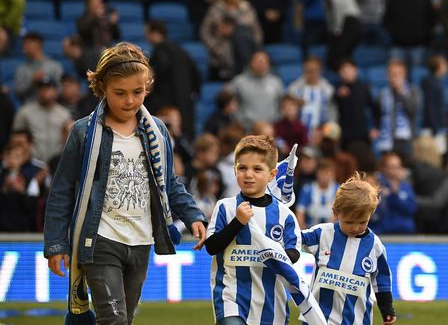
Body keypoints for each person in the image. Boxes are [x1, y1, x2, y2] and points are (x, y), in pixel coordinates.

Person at [43, 42, 208, 324]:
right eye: (120, 93)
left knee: (124, 320)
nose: (130, 101)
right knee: (114, 319)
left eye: (138, 92)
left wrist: (192, 215)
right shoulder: (83, 132)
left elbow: (169, 182)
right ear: (102, 88)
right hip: (99, 240)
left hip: (141, 241)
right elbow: (61, 191)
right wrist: (56, 244)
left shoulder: (158, 130)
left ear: (147, 87)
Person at [204, 135, 325, 325]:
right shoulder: (225, 207)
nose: (248, 174)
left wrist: (273, 254)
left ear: (272, 174)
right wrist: (238, 222)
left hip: (271, 303)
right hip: (231, 297)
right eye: (242, 168)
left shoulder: (285, 215)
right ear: (235, 170)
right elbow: (211, 247)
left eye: (257, 169)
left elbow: (294, 252)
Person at [301, 173, 396, 325]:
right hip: (318, 319)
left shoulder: (375, 245)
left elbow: (382, 281)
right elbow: (295, 238)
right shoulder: (323, 233)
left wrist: (387, 309)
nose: (356, 227)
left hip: (356, 320)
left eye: (362, 221)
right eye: (350, 222)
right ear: (336, 213)